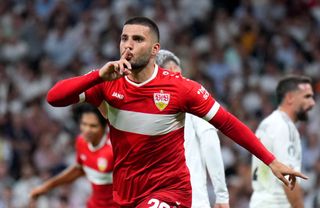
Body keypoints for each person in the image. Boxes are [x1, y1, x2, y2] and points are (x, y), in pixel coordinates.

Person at [46, 16, 307, 208]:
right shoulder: (107, 83)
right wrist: (96, 75)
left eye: (138, 39)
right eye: (124, 38)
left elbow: (228, 124)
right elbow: (54, 98)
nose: (128, 45)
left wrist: (271, 160)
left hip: (169, 191)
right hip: (125, 194)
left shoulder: (181, 89)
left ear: (154, 49)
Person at [155, 49, 229, 208]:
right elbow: (210, 143)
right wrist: (221, 194)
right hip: (191, 199)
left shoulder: (140, 108)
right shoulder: (191, 97)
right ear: (176, 71)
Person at [29, 104, 118, 208]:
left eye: (93, 126)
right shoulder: (81, 141)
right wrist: (48, 186)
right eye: (84, 124)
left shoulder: (114, 147)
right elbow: (78, 169)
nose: (87, 130)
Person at [250, 75, 315, 208]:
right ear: (290, 97)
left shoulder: (267, 123)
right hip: (277, 204)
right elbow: (290, 180)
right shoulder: (285, 127)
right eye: (306, 97)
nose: (312, 103)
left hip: (260, 201)